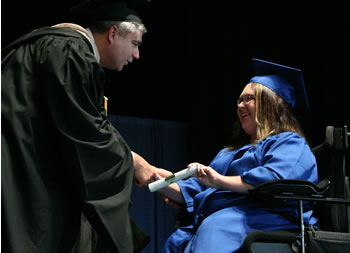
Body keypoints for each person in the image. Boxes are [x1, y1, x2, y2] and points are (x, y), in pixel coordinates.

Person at [1, 0, 156, 252]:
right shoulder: (69, 50)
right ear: (113, 33)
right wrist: (130, 162)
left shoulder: (42, 46)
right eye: (135, 44)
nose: (136, 55)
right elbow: (84, 132)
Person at [151, 58, 319, 252]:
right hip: (223, 218)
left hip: (268, 217)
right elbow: (197, 188)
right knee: (177, 241)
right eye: (239, 100)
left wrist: (219, 181)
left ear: (272, 104)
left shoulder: (289, 143)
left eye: (248, 98)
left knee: (214, 229)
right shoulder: (228, 153)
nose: (240, 105)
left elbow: (272, 180)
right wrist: (156, 178)